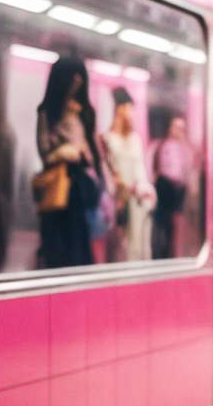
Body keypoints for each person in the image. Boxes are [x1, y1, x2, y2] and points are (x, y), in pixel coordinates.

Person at [35, 54, 103, 269]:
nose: (77, 83)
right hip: (59, 185)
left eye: (80, 79)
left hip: (81, 186)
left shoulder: (83, 113)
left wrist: (87, 156)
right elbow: (44, 151)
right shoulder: (49, 113)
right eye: (72, 79)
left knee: (80, 245)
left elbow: (90, 150)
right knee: (59, 247)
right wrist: (65, 152)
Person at [102, 87, 156, 262]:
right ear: (119, 108)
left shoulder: (134, 139)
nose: (130, 113)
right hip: (117, 200)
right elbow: (107, 172)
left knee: (138, 245)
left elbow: (140, 169)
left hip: (136, 199)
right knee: (119, 247)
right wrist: (118, 189)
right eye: (128, 108)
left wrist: (143, 188)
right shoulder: (106, 138)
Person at [152, 114, 194, 258]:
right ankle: (160, 254)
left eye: (181, 128)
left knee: (176, 224)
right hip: (164, 185)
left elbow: (189, 168)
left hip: (179, 188)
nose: (178, 130)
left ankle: (174, 253)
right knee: (161, 223)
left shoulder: (186, 148)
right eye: (176, 127)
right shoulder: (160, 145)